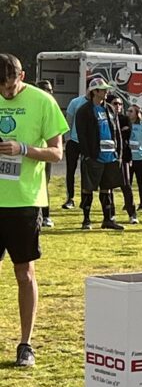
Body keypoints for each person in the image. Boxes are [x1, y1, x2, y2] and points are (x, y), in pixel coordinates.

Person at [0, 53, 67, 366]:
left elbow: (57, 154)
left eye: (11, 88)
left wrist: (23, 149)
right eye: (2, 89)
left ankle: (25, 345)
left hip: (24, 202)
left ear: (22, 76)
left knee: (24, 274)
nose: (6, 93)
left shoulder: (43, 102)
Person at [75, 76, 124, 231]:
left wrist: (119, 152)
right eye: (103, 90)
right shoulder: (84, 110)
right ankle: (86, 220)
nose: (106, 92)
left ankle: (108, 219)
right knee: (88, 188)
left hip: (110, 155)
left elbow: (116, 132)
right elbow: (82, 135)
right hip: (94, 156)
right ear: (94, 91)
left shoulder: (109, 108)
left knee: (107, 187)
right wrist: (87, 155)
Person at [106, 95, 139, 225]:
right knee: (109, 187)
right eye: (115, 103)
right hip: (109, 156)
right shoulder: (106, 118)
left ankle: (132, 213)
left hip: (124, 156)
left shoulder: (124, 119)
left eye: (120, 104)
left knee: (126, 186)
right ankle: (110, 214)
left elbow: (126, 134)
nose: (118, 106)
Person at [61, 90, 88, 210]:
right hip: (73, 141)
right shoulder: (76, 102)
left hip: (87, 143)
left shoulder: (96, 104)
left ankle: (85, 198)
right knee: (70, 171)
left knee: (86, 171)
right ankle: (70, 198)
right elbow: (68, 121)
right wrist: (68, 139)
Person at [35, 80, 55, 228]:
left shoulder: (51, 107)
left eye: (51, 90)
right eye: (47, 90)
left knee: (44, 183)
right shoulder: (32, 106)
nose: (50, 92)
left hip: (45, 152)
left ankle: (46, 215)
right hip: (29, 152)